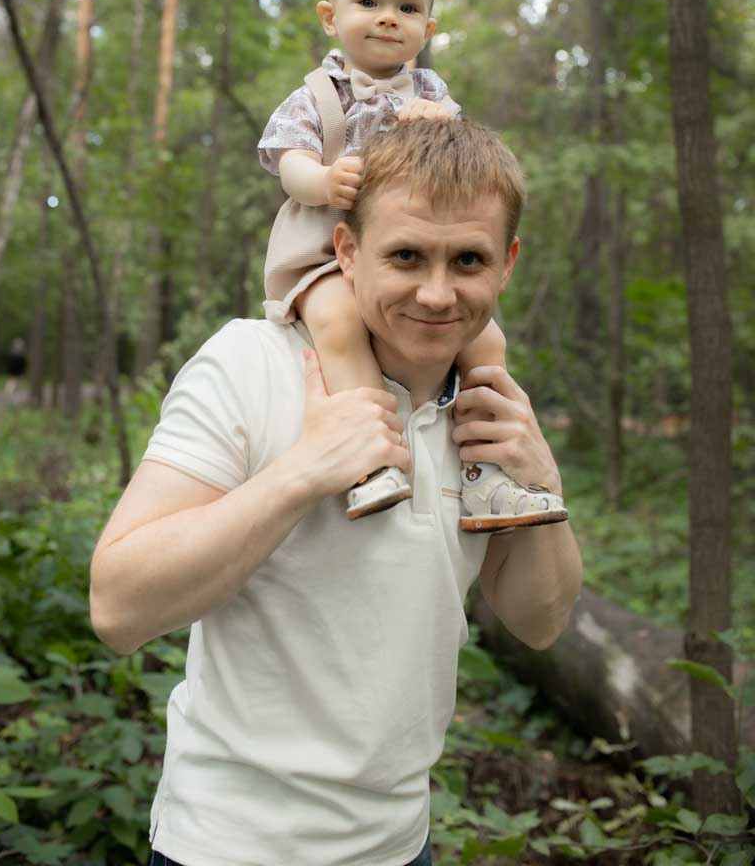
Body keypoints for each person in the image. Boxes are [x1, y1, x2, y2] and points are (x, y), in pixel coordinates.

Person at [90, 118, 583, 866]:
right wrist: (304, 470)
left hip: (398, 844)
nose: (438, 291)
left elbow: (539, 621)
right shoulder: (248, 364)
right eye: (407, 255)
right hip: (229, 844)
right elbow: (118, 607)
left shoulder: (491, 407)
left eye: (469, 259)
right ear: (347, 252)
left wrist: (541, 484)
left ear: (507, 264)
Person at [258, 0, 567, 529]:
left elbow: (459, 170)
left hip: (405, 252)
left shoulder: (428, 90)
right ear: (330, 16)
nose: (386, 18)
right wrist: (321, 180)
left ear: (426, 30)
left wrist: (438, 121)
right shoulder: (320, 95)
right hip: (323, 251)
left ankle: (489, 474)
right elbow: (286, 158)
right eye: (368, 2)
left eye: (406, 7)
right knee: (342, 326)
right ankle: (369, 461)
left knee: (490, 342)